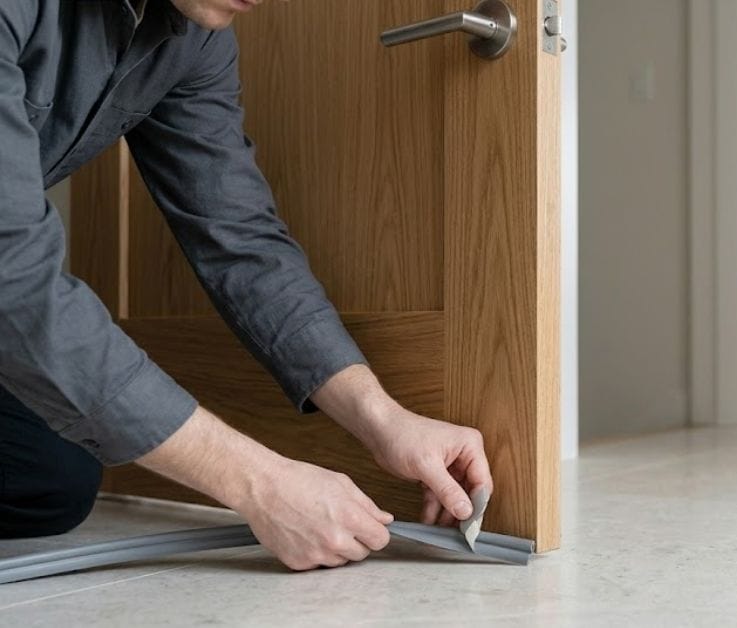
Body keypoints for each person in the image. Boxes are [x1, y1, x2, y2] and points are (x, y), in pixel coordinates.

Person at [0, 0, 493, 570]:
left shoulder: (194, 36)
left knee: (50, 473)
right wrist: (259, 483)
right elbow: (14, 276)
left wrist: (382, 418)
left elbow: (238, 237)